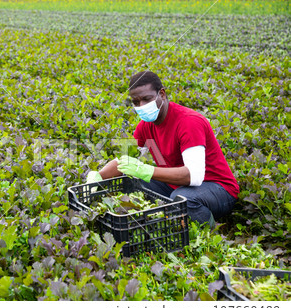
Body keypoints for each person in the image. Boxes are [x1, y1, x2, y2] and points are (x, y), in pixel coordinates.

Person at [87, 71, 239, 227]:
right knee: (132, 181)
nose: (142, 106)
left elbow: (194, 176)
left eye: (146, 99)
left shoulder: (189, 122)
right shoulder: (145, 126)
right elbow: (125, 161)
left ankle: (208, 232)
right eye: (136, 102)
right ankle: (170, 218)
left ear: (162, 94)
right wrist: (97, 177)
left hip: (218, 189)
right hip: (178, 186)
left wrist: (146, 170)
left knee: (182, 198)